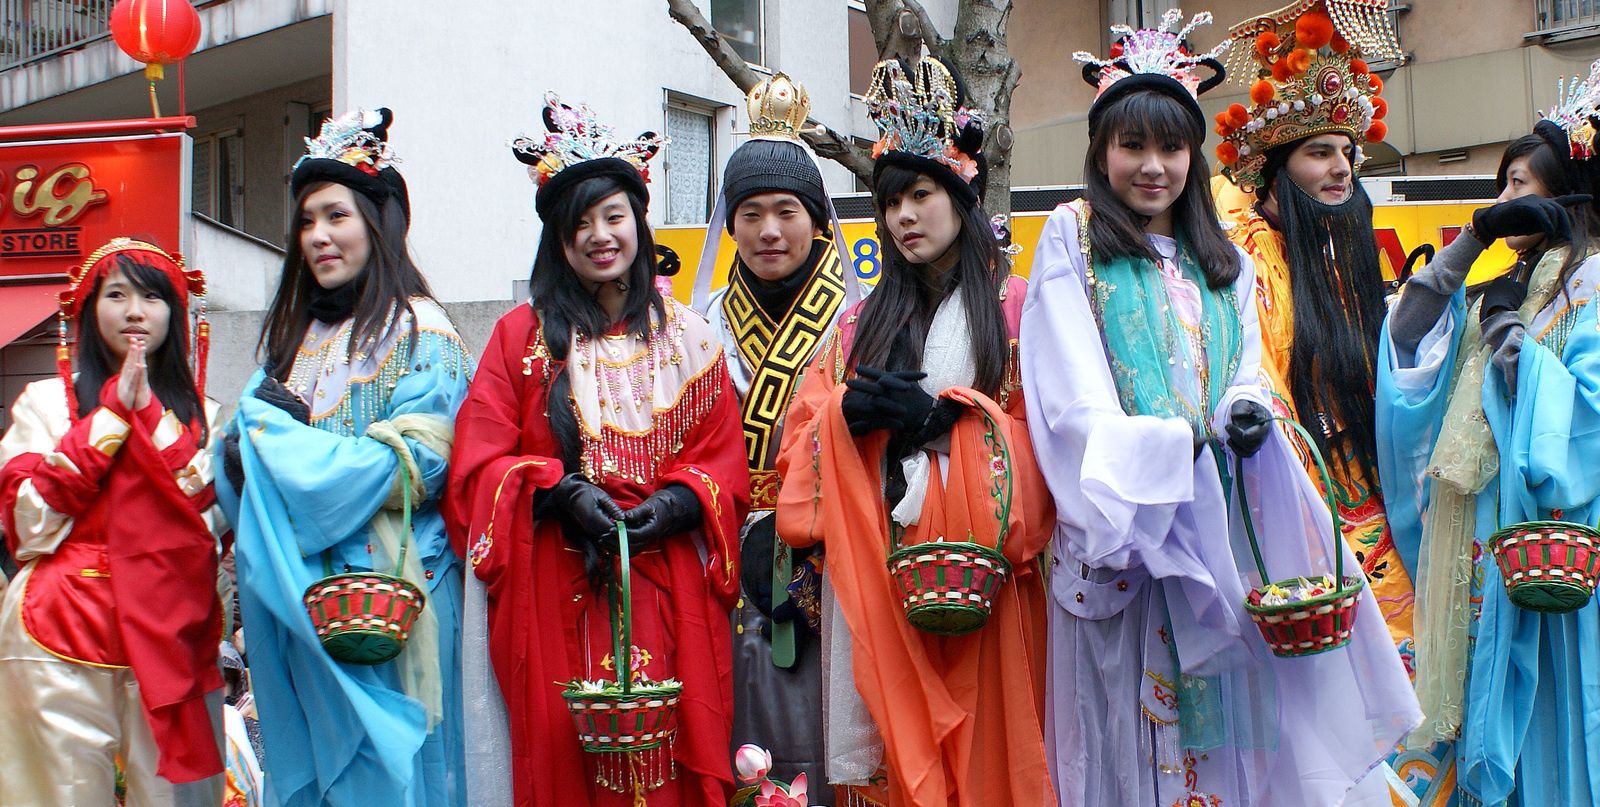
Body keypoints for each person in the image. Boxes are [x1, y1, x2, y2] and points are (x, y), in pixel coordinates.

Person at [1025, 11, 1419, 805]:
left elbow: (1246, 369)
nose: (1152, 166)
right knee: (1132, 744)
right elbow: (1069, 395)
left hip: (1219, 532)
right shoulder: (1071, 238)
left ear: (1192, 155)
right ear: (1101, 153)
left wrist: (1244, 412)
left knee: (1237, 744)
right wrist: (1175, 449)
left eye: (1171, 147)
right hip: (1130, 537)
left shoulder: (1226, 261)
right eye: (1132, 146)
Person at [447, 92, 749, 807]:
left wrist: (678, 502)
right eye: (578, 223)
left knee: (670, 769)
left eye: (614, 215)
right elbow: (475, 464)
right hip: (555, 586)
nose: (600, 235)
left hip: (667, 586)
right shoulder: (519, 339)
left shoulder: (692, 338)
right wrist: (552, 490)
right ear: (556, 239)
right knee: (563, 770)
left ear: (639, 222)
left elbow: (724, 461)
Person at [775, 55, 1054, 807]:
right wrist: (846, 421)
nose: (902, 216)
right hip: (888, 580)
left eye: (921, 195)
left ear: (961, 198)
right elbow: (797, 460)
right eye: (890, 201)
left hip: (989, 584)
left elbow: (1051, 449)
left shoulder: (1020, 309)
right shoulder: (856, 326)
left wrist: (955, 426)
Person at [216, 108, 472, 807]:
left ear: (377, 219)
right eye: (305, 221)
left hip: (396, 596)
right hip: (305, 603)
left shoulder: (424, 328)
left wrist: (284, 452)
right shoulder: (292, 344)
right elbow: (239, 452)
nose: (319, 235)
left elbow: (422, 463)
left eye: (336, 215)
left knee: (404, 777)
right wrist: (238, 459)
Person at [1377, 60, 1600, 805]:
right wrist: (1475, 238)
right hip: (1477, 532)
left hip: (1558, 531)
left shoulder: (1594, 284)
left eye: (1519, 187)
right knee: (1479, 693)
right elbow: (1406, 340)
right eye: (1500, 185)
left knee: (1554, 707)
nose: (1504, 199)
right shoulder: (1497, 285)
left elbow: (1589, 419)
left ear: (1570, 196)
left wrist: (1522, 360)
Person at [1210, 0, 1420, 674]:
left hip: (1370, 501)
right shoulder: (1249, 259)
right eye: (1319, 152)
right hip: (1299, 505)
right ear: (1275, 169)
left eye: (1348, 153)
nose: (1342, 168)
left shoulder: (1340, 262)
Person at [0, 237, 226, 806]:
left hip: (174, 634)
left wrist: (146, 411)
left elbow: (210, 524)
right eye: (117, 295)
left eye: (151, 297)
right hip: (59, 632)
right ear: (88, 307)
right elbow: (27, 527)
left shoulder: (208, 416)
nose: (133, 312)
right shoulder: (45, 403)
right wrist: (108, 420)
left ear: (175, 311)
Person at [688, 73, 859, 801]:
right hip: (724, 561)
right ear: (728, 225)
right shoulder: (702, 328)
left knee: (831, 738)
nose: (767, 230)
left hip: (837, 563)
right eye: (749, 212)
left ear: (819, 219)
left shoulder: (858, 321)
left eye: (786, 210)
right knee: (742, 746)